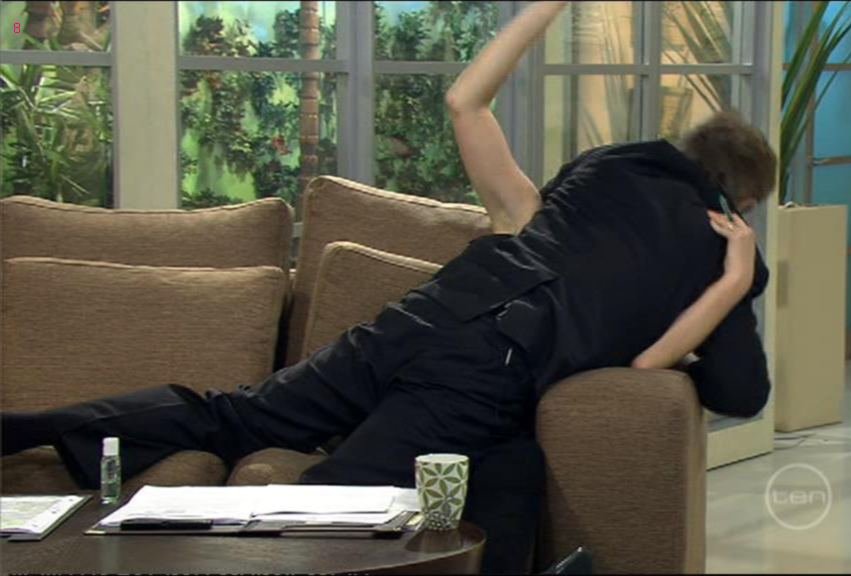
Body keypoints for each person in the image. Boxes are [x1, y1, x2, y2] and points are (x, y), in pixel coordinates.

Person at [1, 1, 775, 573]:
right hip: (482, 373)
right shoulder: (714, 251)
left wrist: (547, 7)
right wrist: (735, 276)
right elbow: (737, 389)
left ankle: (23, 429)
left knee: (240, 415)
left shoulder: (580, 191)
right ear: (740, 201)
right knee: (338, 508)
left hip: (411, 322)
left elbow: (463, 102)